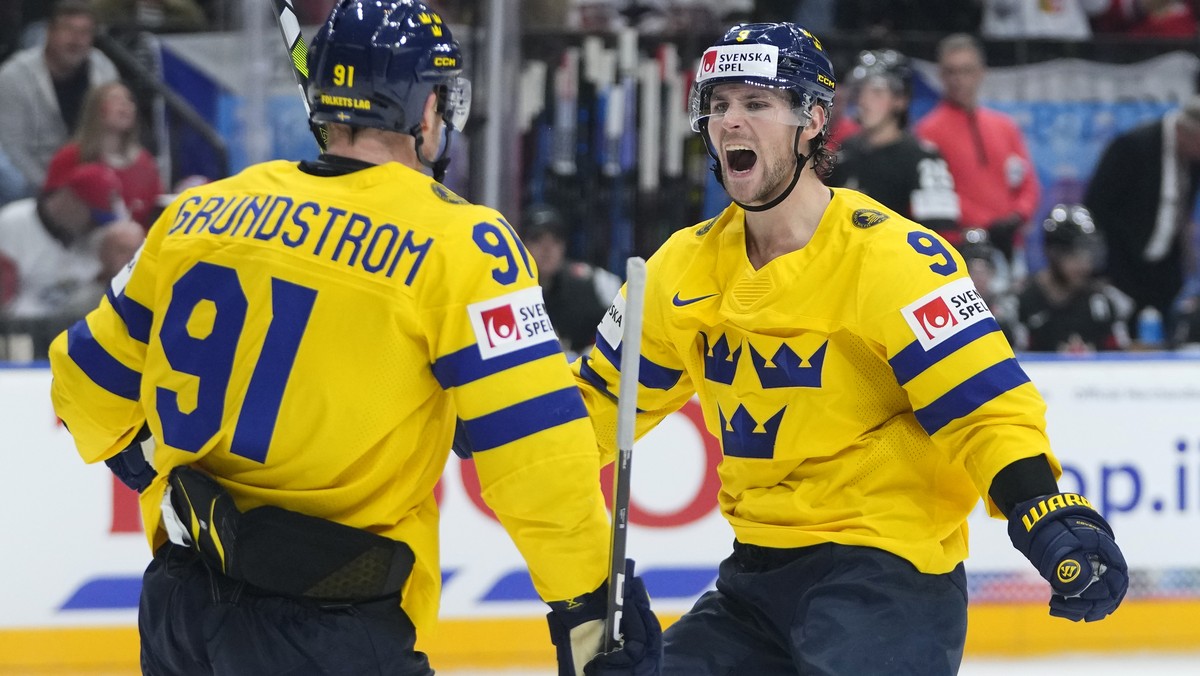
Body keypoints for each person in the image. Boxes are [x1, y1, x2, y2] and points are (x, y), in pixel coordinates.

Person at [47, 2, 660, 675]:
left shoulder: (200, 211)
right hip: (326, 628)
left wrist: (156, 473)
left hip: (179, 611)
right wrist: (590, 610)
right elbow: (538, 459)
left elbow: (84, 381)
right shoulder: (461, 243)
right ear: (425, 111)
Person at [573, 22, 1128, 675]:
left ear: (811, 119)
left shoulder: (894, 258)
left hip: (887, 576)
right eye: (719, 104)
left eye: (756, 104)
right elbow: (596, 411)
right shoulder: (678, 271)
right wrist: (510, 429)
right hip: (753, 581)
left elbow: (985, 409)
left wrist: (1041, 505)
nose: (730, 122)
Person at [916, 33, 1040, 263]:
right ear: (941, 76)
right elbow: (936, 193)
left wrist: (1018, 216)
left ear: (982, 72)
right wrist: (990, 223)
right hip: (959, 248)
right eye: (951, 72)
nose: (958, 80)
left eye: (966, 71)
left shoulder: (1005, 127)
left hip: (1011, 246)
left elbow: (1028, 182)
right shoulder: (927, 131)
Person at [1084, 95, 1200, 342]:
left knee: (1173, 339)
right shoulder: (1134, 146)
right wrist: (1103, 265)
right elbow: (1096, 204)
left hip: (1167, 266)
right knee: (1124, 337)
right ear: (1185, 132)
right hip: (1124, 264)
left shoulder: (1192, 158)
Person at [825, 49, 960, 240]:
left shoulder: (922, 158)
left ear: (900, 100)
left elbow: (940, 235)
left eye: (877, 92)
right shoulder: (843, 153)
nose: (864, 101)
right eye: (860, 91)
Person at [0, 0, 119, 195]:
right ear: (49, 32)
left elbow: (113, 135)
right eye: (68, 29)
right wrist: (51, 191)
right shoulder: (14, 75)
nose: (76, 39)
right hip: (33, 182)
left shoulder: (104, 70)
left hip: (91, 180)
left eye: (84, 32)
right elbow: (13, 149)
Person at [0, 162, 131, 322]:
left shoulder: (95, 237)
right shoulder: (12, 224)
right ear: (71, 200)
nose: (96, 227)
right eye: (94, 218)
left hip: (73, 333)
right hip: (20, 334)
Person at [45, 81, 164, 228]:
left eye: (129, 100)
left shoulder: (144, 161)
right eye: (115, 99)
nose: (125, 105)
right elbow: (51, 209)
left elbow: (155, 210)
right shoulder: (70, 155)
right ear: (96, 109)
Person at [1015, 204, 1132, 353]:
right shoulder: (1023, 303)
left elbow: (1122, 359)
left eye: (1088, 256)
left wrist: (1091, 356)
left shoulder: (1103, 303)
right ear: (1054, 254)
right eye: (1075, 255)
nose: (1084, 265)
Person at [523, 202, 622, 359]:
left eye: (555, 240)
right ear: (521, 244)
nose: (547, 248)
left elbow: (615, 336)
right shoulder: (507, 292)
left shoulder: (586, 286)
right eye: (537, 239)